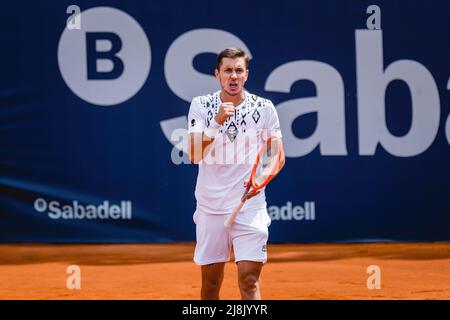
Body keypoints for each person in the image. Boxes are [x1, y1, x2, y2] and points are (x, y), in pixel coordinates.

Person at [187, 48, 285, 300]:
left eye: (238, 70)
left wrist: (261, 179)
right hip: (211, 207)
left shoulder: (264, 108)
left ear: (246, 75)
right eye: (228, 70)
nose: (233, 76)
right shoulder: (201, 105)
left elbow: (277, 155)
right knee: (210, 284)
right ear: (217, 74)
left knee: (249, 280)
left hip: (250, 206)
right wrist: (216, 122)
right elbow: (194, 154)